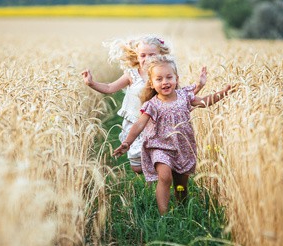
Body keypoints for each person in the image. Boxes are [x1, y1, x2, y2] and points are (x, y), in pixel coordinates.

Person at [113, 55, 234, 215]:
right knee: (165, 177)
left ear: (176, 79)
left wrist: (223, 93)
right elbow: (139, 124)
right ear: (151, 83)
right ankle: (164, 215)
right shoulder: (152, 104)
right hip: (160, 147)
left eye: (169, 77)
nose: (165, 82)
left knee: (181, 184)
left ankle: (182, 210)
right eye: (159, 79)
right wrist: (127, 142)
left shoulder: (184, 96)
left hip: (182, 146)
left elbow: (205, 101)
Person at [82, 35, 207, 173]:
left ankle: (161, 175)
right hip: (135, 122)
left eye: (152, 55)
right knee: (137, 167)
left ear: (161, 55)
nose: (146, 59)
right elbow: (110, 88)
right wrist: (91, 83)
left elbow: (181, 96)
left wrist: (199, 85)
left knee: (159, 158)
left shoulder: (164, 75)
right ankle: (155, 171)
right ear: (137, 56)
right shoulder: (132, 74)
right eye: (142, 55)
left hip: (158, 123)